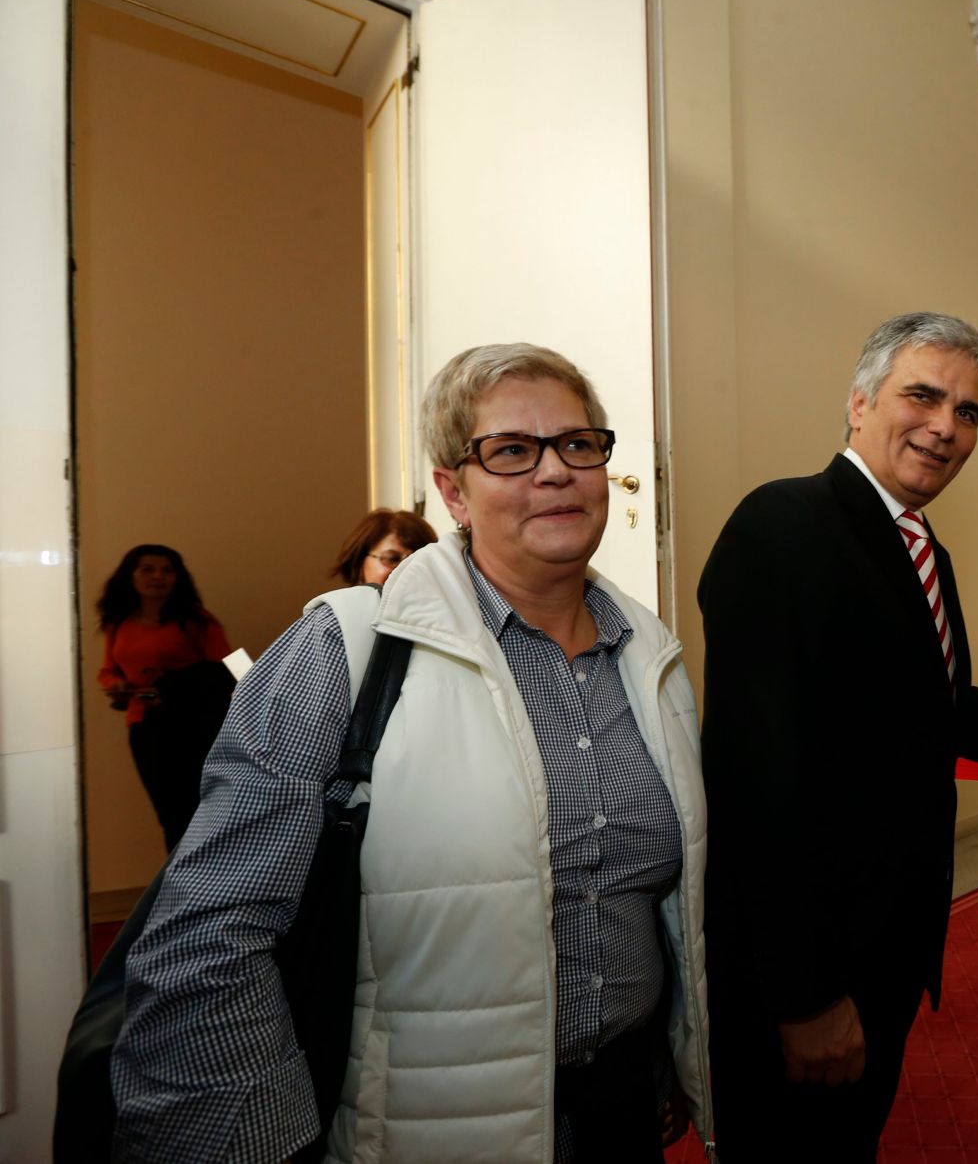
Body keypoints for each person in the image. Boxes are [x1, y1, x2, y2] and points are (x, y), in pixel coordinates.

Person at [112, 344, 711, 1162]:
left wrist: (670, 1057)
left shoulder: (653, 659)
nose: (555, 472)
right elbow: (210, 930)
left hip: (621, 1113)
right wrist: (267, 1143)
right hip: (428, 1129)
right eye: (510, 450)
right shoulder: (347, 648)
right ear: (452, 490)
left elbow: (660, 904)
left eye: (578, 443)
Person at [697, 311, 978, 1161]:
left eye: (969, 410)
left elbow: (940, 710)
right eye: (923, 395)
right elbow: (752, 775)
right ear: (859, 402)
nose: (946, 425)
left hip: (886, 945)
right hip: (807, 970)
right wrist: (803, 995)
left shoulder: (920, 547)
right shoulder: (785, 524)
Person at [96, 544, 234, 851]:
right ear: (130, 576)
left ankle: (205, 886)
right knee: (169, 815)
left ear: (178, 577)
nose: (158, 576)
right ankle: (178, 888)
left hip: (193, 726)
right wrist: (117, 683)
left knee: (198, 811)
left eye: (167, 570)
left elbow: (236, 668)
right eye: (148, 569)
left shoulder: (197, 620)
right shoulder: (119, 622)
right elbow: (108, 670)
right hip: (144, 726)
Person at [330, 507, 438, 586]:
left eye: (418, 561)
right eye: (392, 559)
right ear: (359, 564)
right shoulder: (334, 615)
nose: (405, 569)